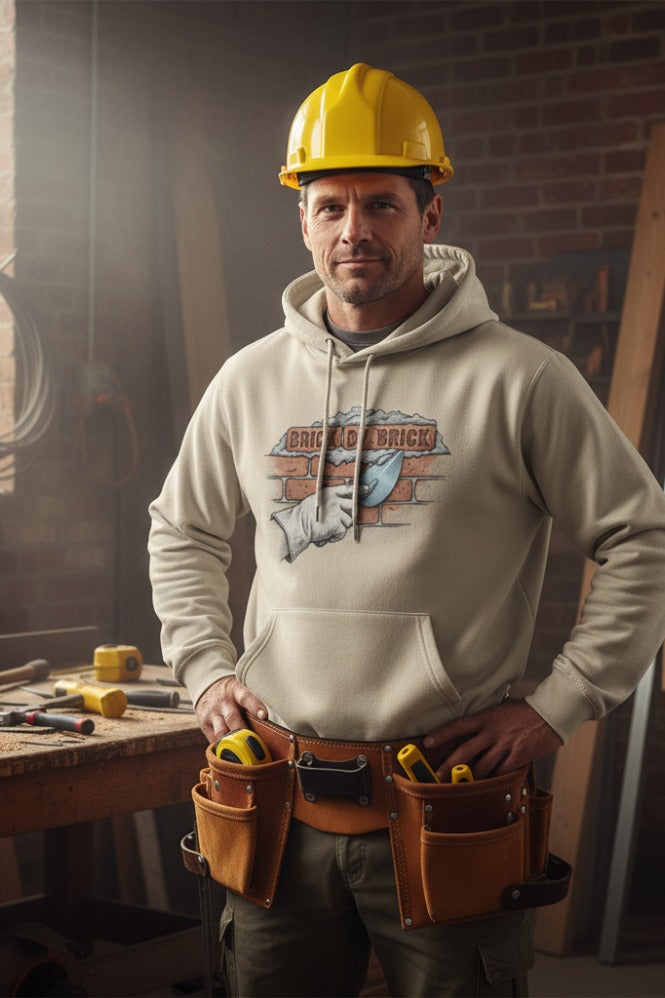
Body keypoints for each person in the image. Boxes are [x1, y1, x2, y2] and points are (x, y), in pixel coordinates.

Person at [148, 64, 665, 997]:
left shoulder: (523, 378)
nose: (355, 232)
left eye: (381, 204)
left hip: (446, 807)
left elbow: (643, 538)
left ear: (429, 217)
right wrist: (203, 665)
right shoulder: (248, 380)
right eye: (331, 205)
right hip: (275, 802)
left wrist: (562, 701)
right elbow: (181, 527)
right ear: (301, 219)